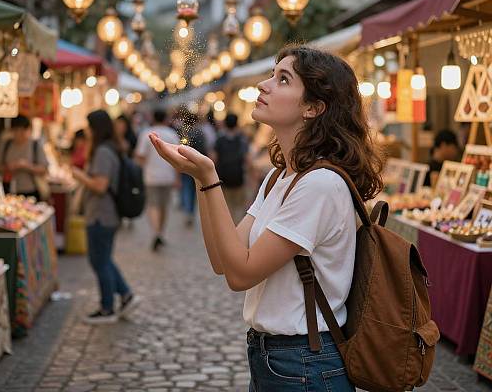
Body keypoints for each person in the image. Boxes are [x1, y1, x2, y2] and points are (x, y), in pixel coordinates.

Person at [150, 46, 383, 391]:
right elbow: (223, 260)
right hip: (271, 357)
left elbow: (240, 275)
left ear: (313, 108)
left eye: (283, 79)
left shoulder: (321, 184)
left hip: (305, 362)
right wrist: (201, 179)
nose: (264, 84)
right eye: (272, 74)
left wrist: (210, 175)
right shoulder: (282, 177)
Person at [72, 110, 139, 324]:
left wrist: (79, 175)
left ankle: (107, 307)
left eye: (89, 127)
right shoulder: (111, 148)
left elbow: (100, 186)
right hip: (106, 214)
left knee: (99, 261)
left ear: (96, 129)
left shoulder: (102, 151)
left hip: (102, 214)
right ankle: (126, 295)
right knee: (103, 259)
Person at [135, 109, 180, 251]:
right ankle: (161, 232)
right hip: (168, 176)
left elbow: (140, 157)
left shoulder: (146, 134)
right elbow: (179, 158)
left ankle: (156, 232)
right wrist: (177, 177)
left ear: (153, 118)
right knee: (164, 206)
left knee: (153, 205)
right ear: (165, 118)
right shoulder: (172, 134)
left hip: (151, 176)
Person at [0, 115, 48, 199]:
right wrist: (8, 167)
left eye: (23, 131)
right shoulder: (5, 145)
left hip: (31, 190)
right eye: (16, 131)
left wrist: (27, 166)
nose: (19, 134)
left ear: (28, 130)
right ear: (11, 131)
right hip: (7, 189)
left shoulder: (35, 145)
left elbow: (44, 169)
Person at [212, 113, 249, 223]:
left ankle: (228, 227)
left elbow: (213, 158)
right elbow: (247, 159)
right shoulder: (242, 140)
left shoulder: (219, 140)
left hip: (223, 178)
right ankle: (236, 227)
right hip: (238, 177)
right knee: (238, 206)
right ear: (237, 124)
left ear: (225, 124)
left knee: (226, 206)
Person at [178, 112, 207, 227]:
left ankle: (188, 211)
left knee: (186, 189)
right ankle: (192, 211)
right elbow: (205, 148)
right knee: (196, 189)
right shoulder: (200, 133)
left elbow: (180, 149)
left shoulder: (185, 133)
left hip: (185, 164)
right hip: (198, 165)